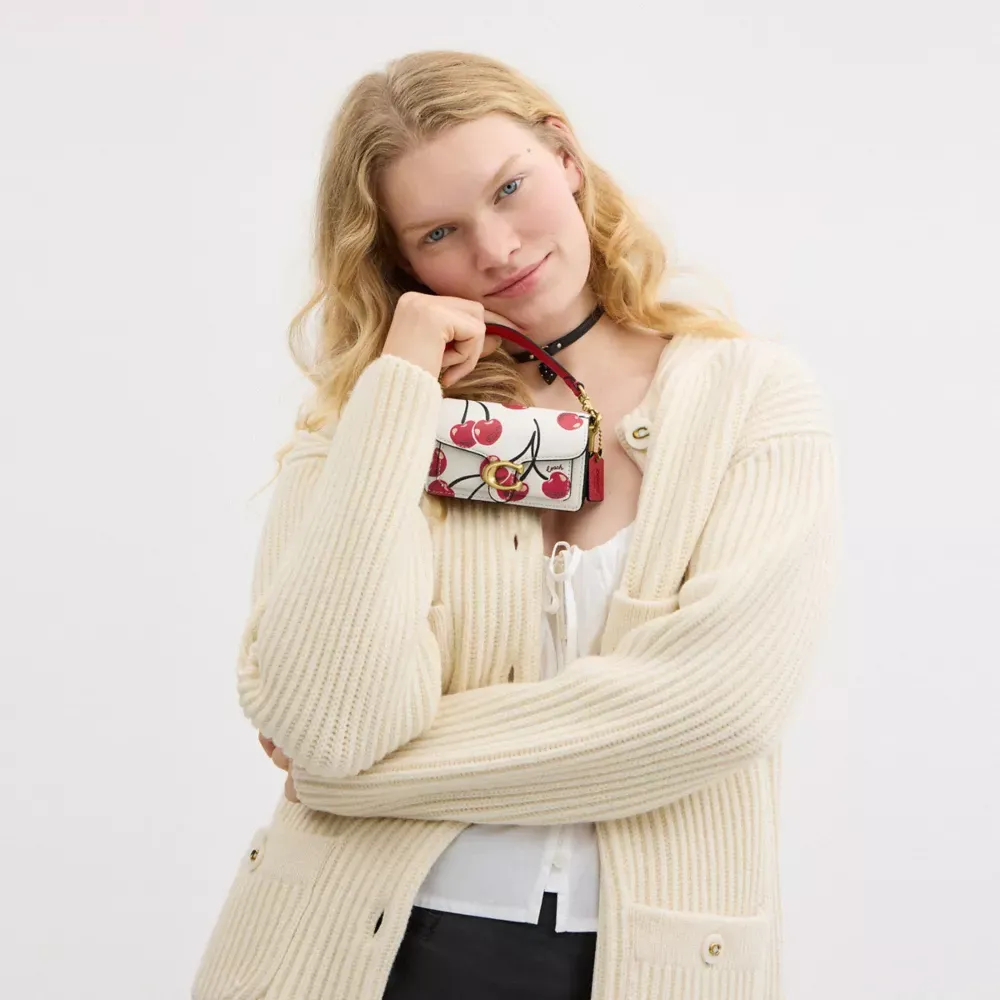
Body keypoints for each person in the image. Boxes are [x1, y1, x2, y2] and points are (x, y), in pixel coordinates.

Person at [191, 49, 841, 1000]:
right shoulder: (366, 422)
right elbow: (332, 720)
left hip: (647, 963)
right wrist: (397, 395)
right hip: (346, 950)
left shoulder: (752, 399)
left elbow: (711, 714)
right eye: (440, 231)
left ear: (564, 156)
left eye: (509, 188)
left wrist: (356, 782)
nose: (494, 249)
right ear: (401, 260)